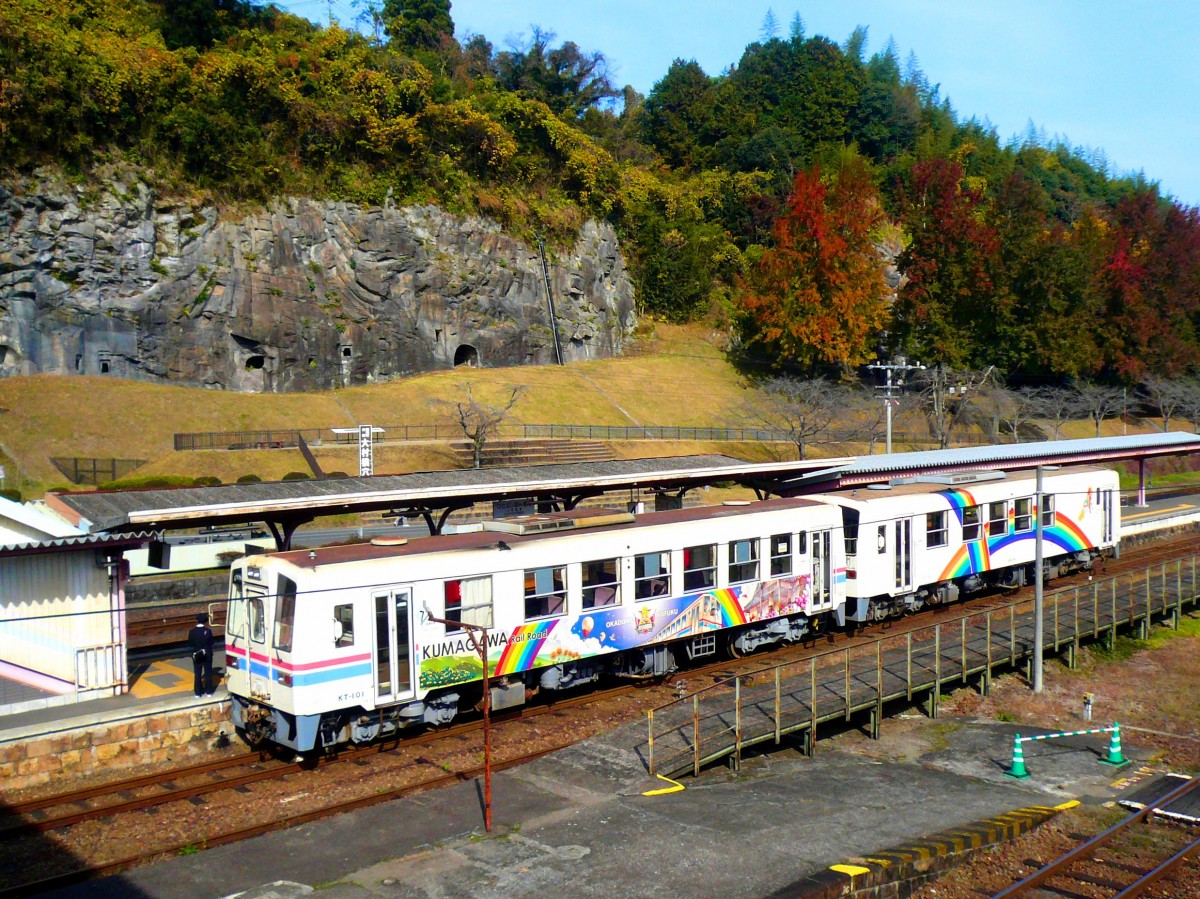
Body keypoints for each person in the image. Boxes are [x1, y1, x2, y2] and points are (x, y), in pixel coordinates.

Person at [188, 612, 215, 697]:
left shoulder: (192, 632)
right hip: (207, 653)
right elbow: (211, 642)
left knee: (197, 673)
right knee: (208, 672)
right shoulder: (208, 631)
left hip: (196, 653)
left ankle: (198, 693)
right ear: (206, 621)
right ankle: (209, 692)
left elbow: (190, 643)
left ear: (197, 621)